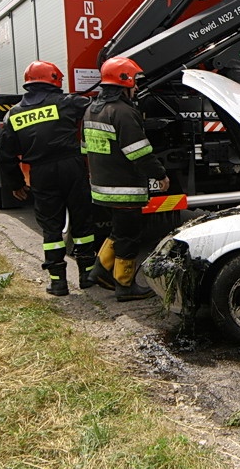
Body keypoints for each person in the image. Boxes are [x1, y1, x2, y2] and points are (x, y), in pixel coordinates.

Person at [0, 61, 96, 296]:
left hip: (41, 173)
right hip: (71, 167)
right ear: (54, 80)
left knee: (51, 228)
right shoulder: (68, 103)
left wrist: (16, 183)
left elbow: (3, 155)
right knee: (82, 221)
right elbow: (96, 108)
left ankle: (58, 282)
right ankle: (87, 275)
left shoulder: (14, 114)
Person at [82, 57, 170, 302]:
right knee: (129, 236)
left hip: (102, 186)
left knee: (118, 231)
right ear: (125, 81)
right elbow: (139, 152)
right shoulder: (123, 112)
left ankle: (98, 271)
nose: (137, 88)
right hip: (124, 187)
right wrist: (160, 174)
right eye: (135, 82)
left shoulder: (92, 108)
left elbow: (84, 148)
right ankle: (125, 285)